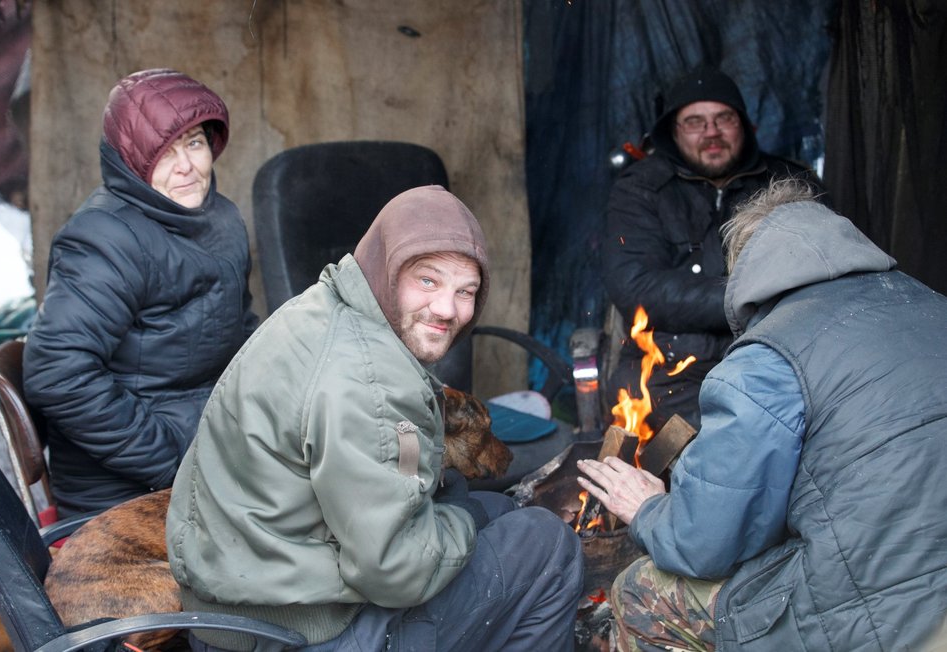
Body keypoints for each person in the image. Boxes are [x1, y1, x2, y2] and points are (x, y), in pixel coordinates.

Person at [166, 185, 584, 652]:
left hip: (237, 604)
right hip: (297, 632)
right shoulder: (370, 382)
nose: (448, 310)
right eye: (428, 281)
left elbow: (389, 470)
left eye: (465, 291)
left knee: (500, 510)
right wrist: (461, 517)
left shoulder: (324, 308)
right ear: (388, 268)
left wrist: (459, 511)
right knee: (549, 545)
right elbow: (395, 569)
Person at [578, 178, 947, 651]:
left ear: (748, 269)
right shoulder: (932, 305)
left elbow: (704, 545)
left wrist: (649, 509)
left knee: (640, 590)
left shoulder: (769, 357)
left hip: (882, 617)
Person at [23, 69, 259, 516]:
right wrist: (171, 461)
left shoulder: (221, 218)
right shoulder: (104, 239)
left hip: (213, 450)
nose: (186, 166)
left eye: (193, 143)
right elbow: (57, 372)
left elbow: (243, 333)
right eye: (163, 154)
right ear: (132, 164)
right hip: (129, 491)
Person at [600, 65, 822, 431]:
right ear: (673, 131)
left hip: (774, 359)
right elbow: (636, 288)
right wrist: (752, 296)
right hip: (669, 371)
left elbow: (817, 279)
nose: (711, 133)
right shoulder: (640, 188)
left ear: (745, 125)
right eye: (695, 122)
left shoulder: (789, 182)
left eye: (724, 118)